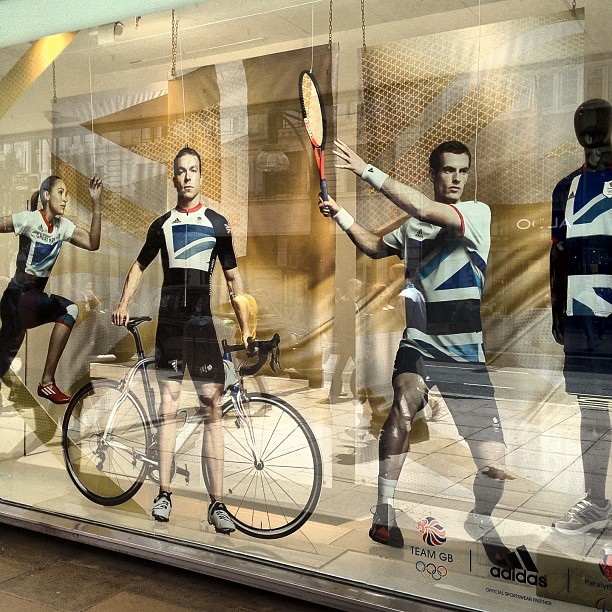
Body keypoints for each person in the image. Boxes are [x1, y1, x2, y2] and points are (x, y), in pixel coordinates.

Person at [319, 139, 509, 565]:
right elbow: (373, 246)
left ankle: (479, 518)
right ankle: (384, 512)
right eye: (447, 170)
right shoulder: (412, 229)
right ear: (434, 174)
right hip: (420, 342)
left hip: (465, 356)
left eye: (462, 171)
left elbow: (423, 208)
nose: (456, 178)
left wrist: (366, 170)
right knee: (404, 402)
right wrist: (341, 214)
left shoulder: (476, 214)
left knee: (494, 465)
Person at [112, 147, 254, 531]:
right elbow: (138, 266)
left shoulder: (218, 224)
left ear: (202, 176)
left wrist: (246, 328)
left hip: (202, 326)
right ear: (173, 177)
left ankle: (218, 505)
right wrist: (123, 302)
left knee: (212, 409)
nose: (187, 177)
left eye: (193, 170)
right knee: (169, 406)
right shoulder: (161, 225)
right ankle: (164, 493)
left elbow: (233, 280)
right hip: (171, 325)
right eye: (181, 171)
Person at [550, 98, 612, 534]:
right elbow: (557, 254)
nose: (589, 127)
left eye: (598, 120)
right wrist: (558, 309)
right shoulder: (565, 189)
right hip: (581, 312)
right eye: (582, 121)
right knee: (592, 409)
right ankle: (595, 501)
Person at [0, 174, 103, 404]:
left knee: (2, 361)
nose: (65, 199)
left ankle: (46, 383)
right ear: (46, 195)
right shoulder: (29, 220)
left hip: (30, 302)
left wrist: (96, 202)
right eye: (60, 192)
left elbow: (93, 243)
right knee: (69, 310)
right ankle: (46, 383)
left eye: (66, 194)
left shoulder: (62, 227)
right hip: (16, 299)